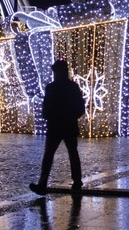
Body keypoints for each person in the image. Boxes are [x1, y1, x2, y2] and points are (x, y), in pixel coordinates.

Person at [29, 59, 86, 195]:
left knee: (50, 154)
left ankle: (43, 183)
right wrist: (73, 116)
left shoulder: (52, 87)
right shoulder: (72, 87)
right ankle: (77, 182)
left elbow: (47, 105)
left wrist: (49, 115)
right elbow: (80, 106)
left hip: (56, 125)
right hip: (67, 124)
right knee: (71, 153)